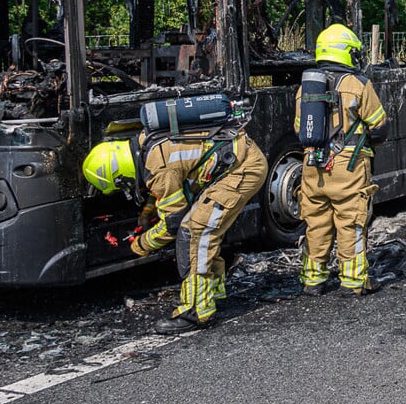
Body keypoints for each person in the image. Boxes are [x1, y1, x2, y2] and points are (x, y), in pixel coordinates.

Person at [82, 106, 267, 333]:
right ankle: (214, 293)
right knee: (204, 226)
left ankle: (195, 312)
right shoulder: (145, 142)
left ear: (118, 174)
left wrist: (142, 245)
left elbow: (173, 223)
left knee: (195, 231)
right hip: (238, 159)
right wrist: (148, 212)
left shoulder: (157, 168)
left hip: (242, 169)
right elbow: (165, 185)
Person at [294, 24, 389, 294]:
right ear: (347, 53)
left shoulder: (305, 88)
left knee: (316, 221)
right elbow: (379, 126)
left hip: (313, 164)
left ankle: (313, 279)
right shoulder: (358, 84)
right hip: (349, 164)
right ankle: (353, 281)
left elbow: (299, 128)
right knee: (351, 221)